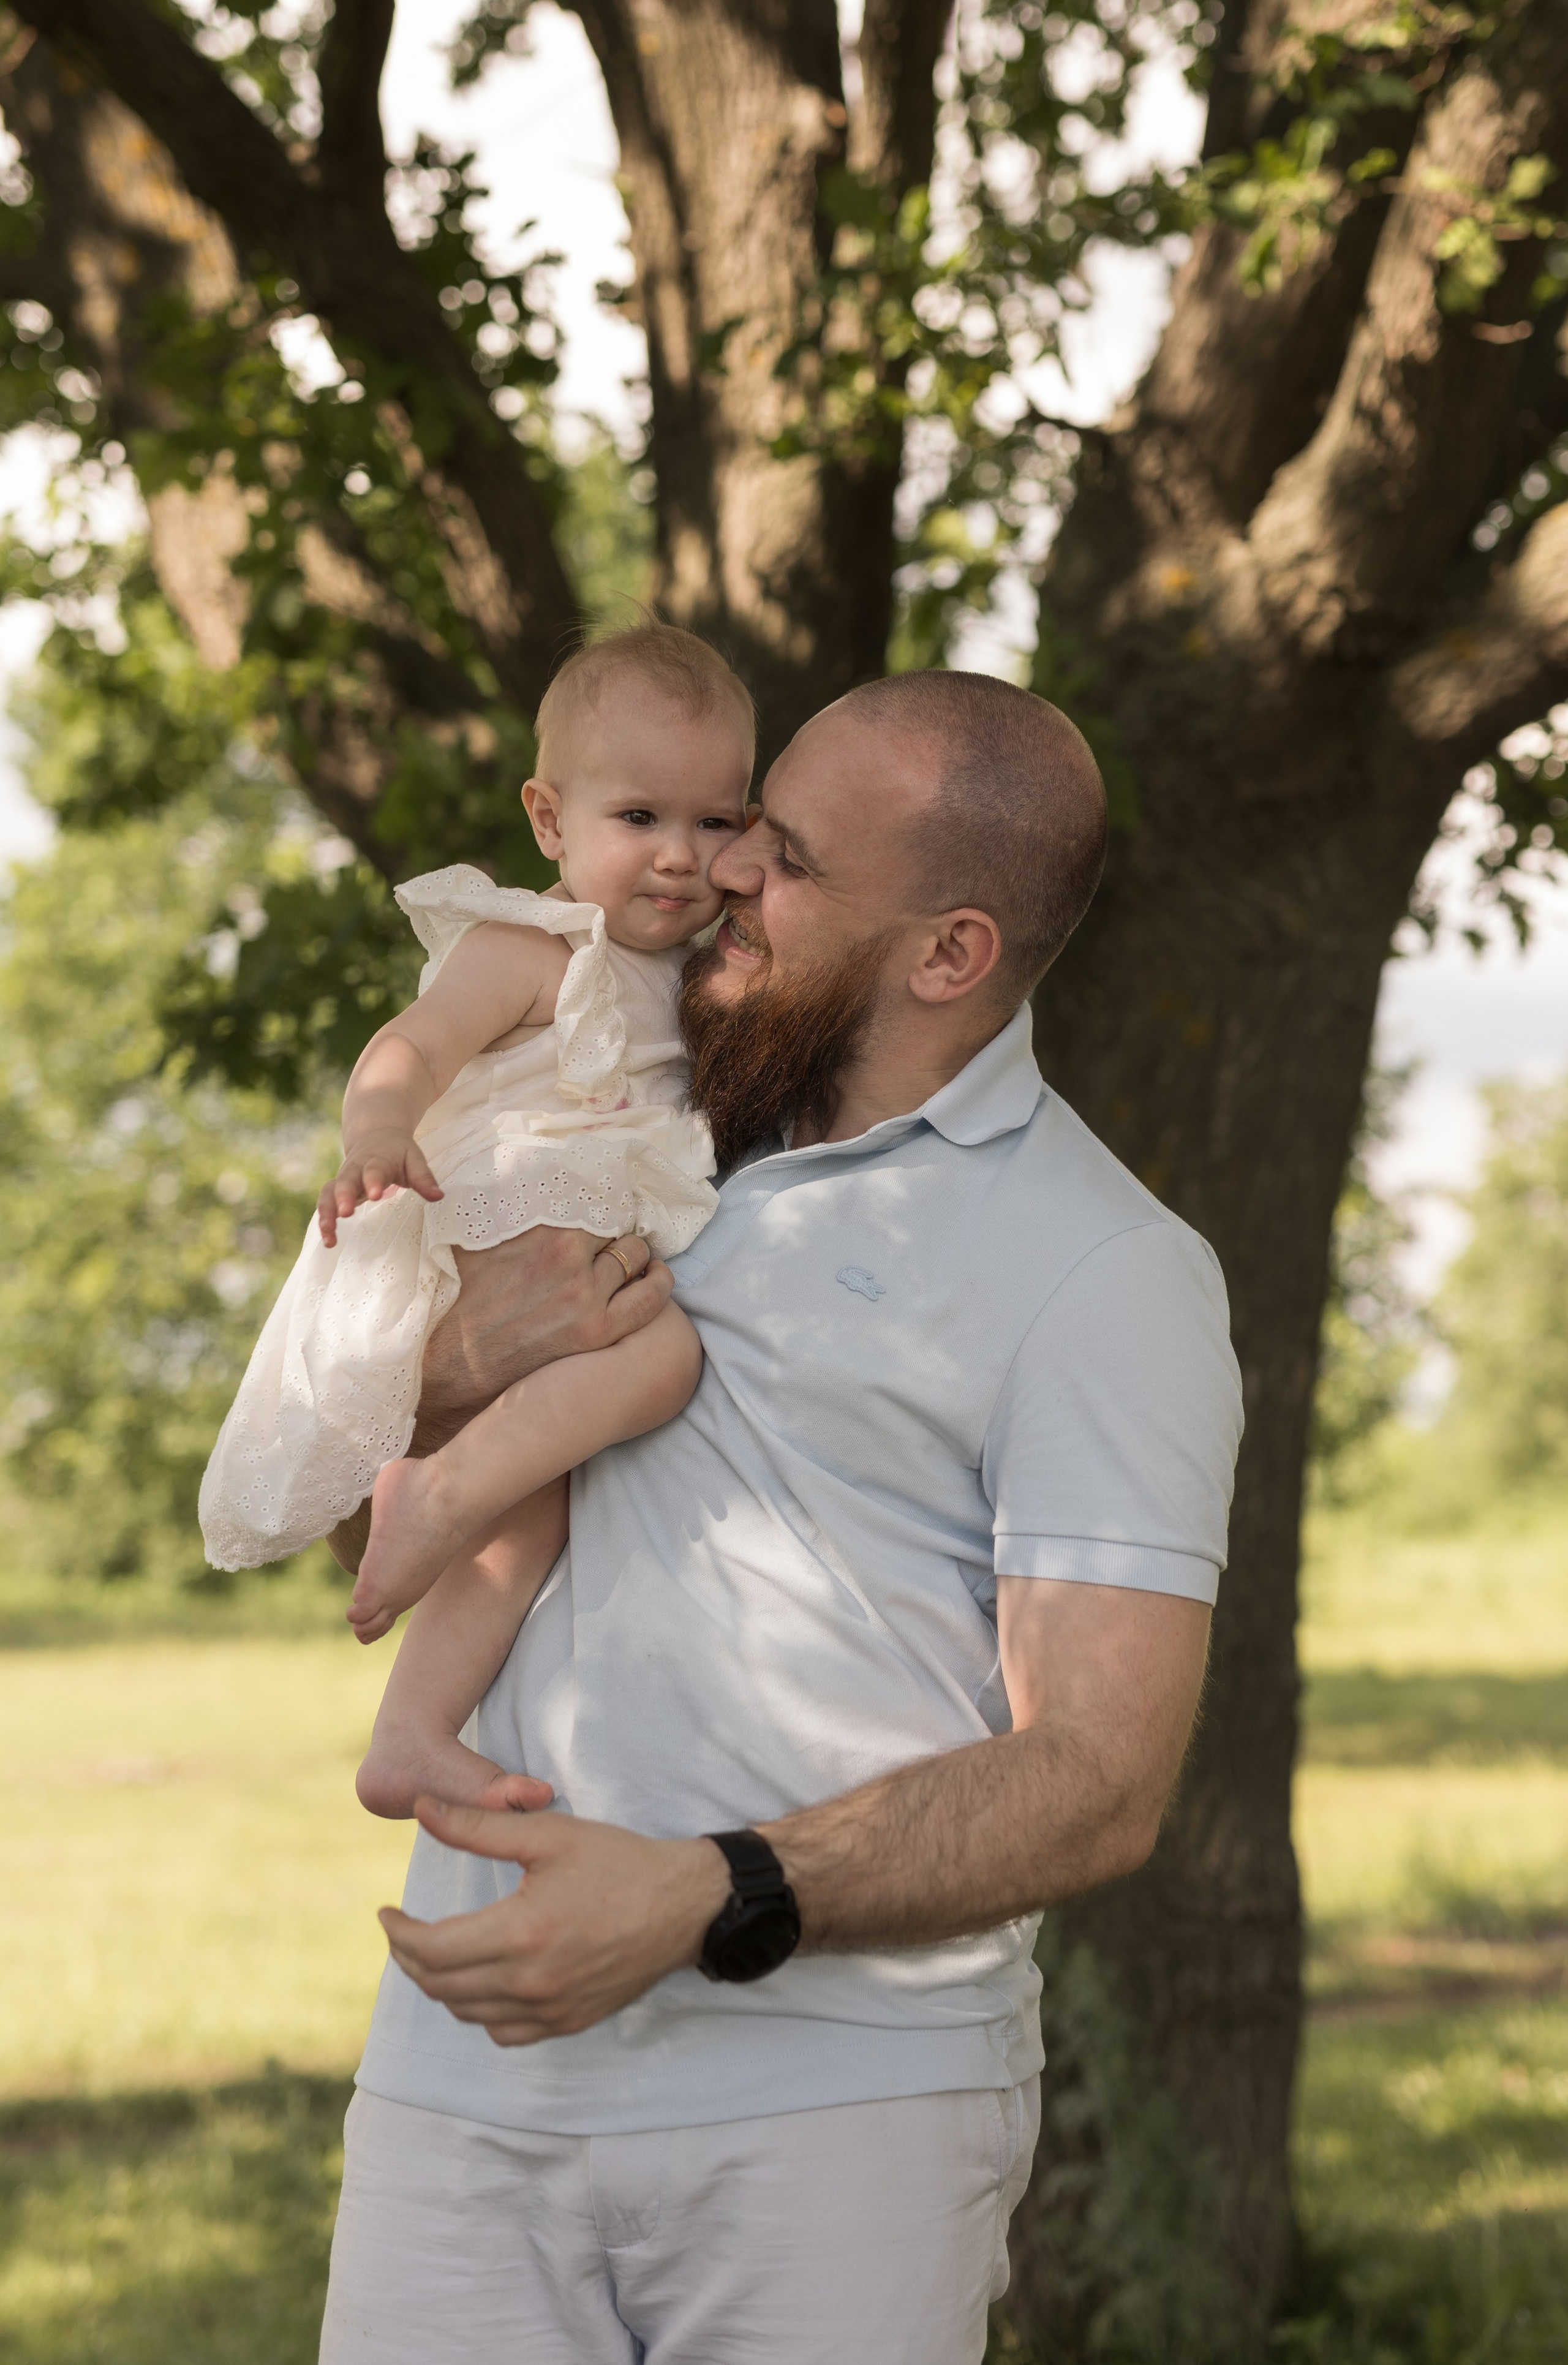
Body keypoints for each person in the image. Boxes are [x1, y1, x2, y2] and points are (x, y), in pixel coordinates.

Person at [319, 670, 1245, 2365]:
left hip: (841, 2120)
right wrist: (452, 1370)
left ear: (949, 952)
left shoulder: (1108, 1272)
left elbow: (1101, 1774)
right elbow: (364, 1559)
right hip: (466, 2091)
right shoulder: (599, 1112)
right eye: (744, 819)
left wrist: (705, 1889)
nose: (723, 864)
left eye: (789, 853)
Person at [199, 623, 753, 1816]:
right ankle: (433, 1495)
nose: (678, 856)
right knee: (665, 1353)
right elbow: (413, 1043)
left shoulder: (708, 967)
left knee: (534, 1504)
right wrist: (376, 1135)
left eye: (716, 821)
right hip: (502, 1207)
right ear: (550, 822)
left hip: (572, 1230)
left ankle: (408, 1730)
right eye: (639, 817)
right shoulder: (534, 941)